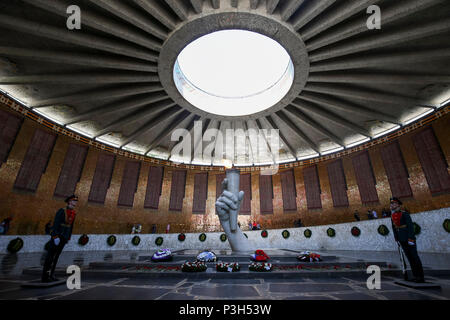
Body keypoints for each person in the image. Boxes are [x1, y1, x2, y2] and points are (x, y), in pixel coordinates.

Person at [42, 195, 78, 282]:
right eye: (74, 200)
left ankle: (51, 274)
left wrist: (68, 238)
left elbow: (71, 227)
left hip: (64, 238)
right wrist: (55, 236)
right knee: (50, 256)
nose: (75, 202)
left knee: (56, 257)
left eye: (76, 201)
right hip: (57, 237)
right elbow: (55, 224)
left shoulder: (73, 213)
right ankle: (45, 276)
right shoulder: (62, 211)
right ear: (69, 201)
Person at [390, 197, 425, 283]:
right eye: (391, 204)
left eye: (393, 203)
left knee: (414, 257)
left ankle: (420, 276)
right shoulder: (393, 216)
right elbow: (394, 228)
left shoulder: (404, 214)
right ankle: (415, 275)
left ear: (398, 204)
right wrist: (396, 238)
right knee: (409, 257)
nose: (392, 205)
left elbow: (410, 227)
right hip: (401, 239)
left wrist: (411, 238)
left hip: (408, 238)